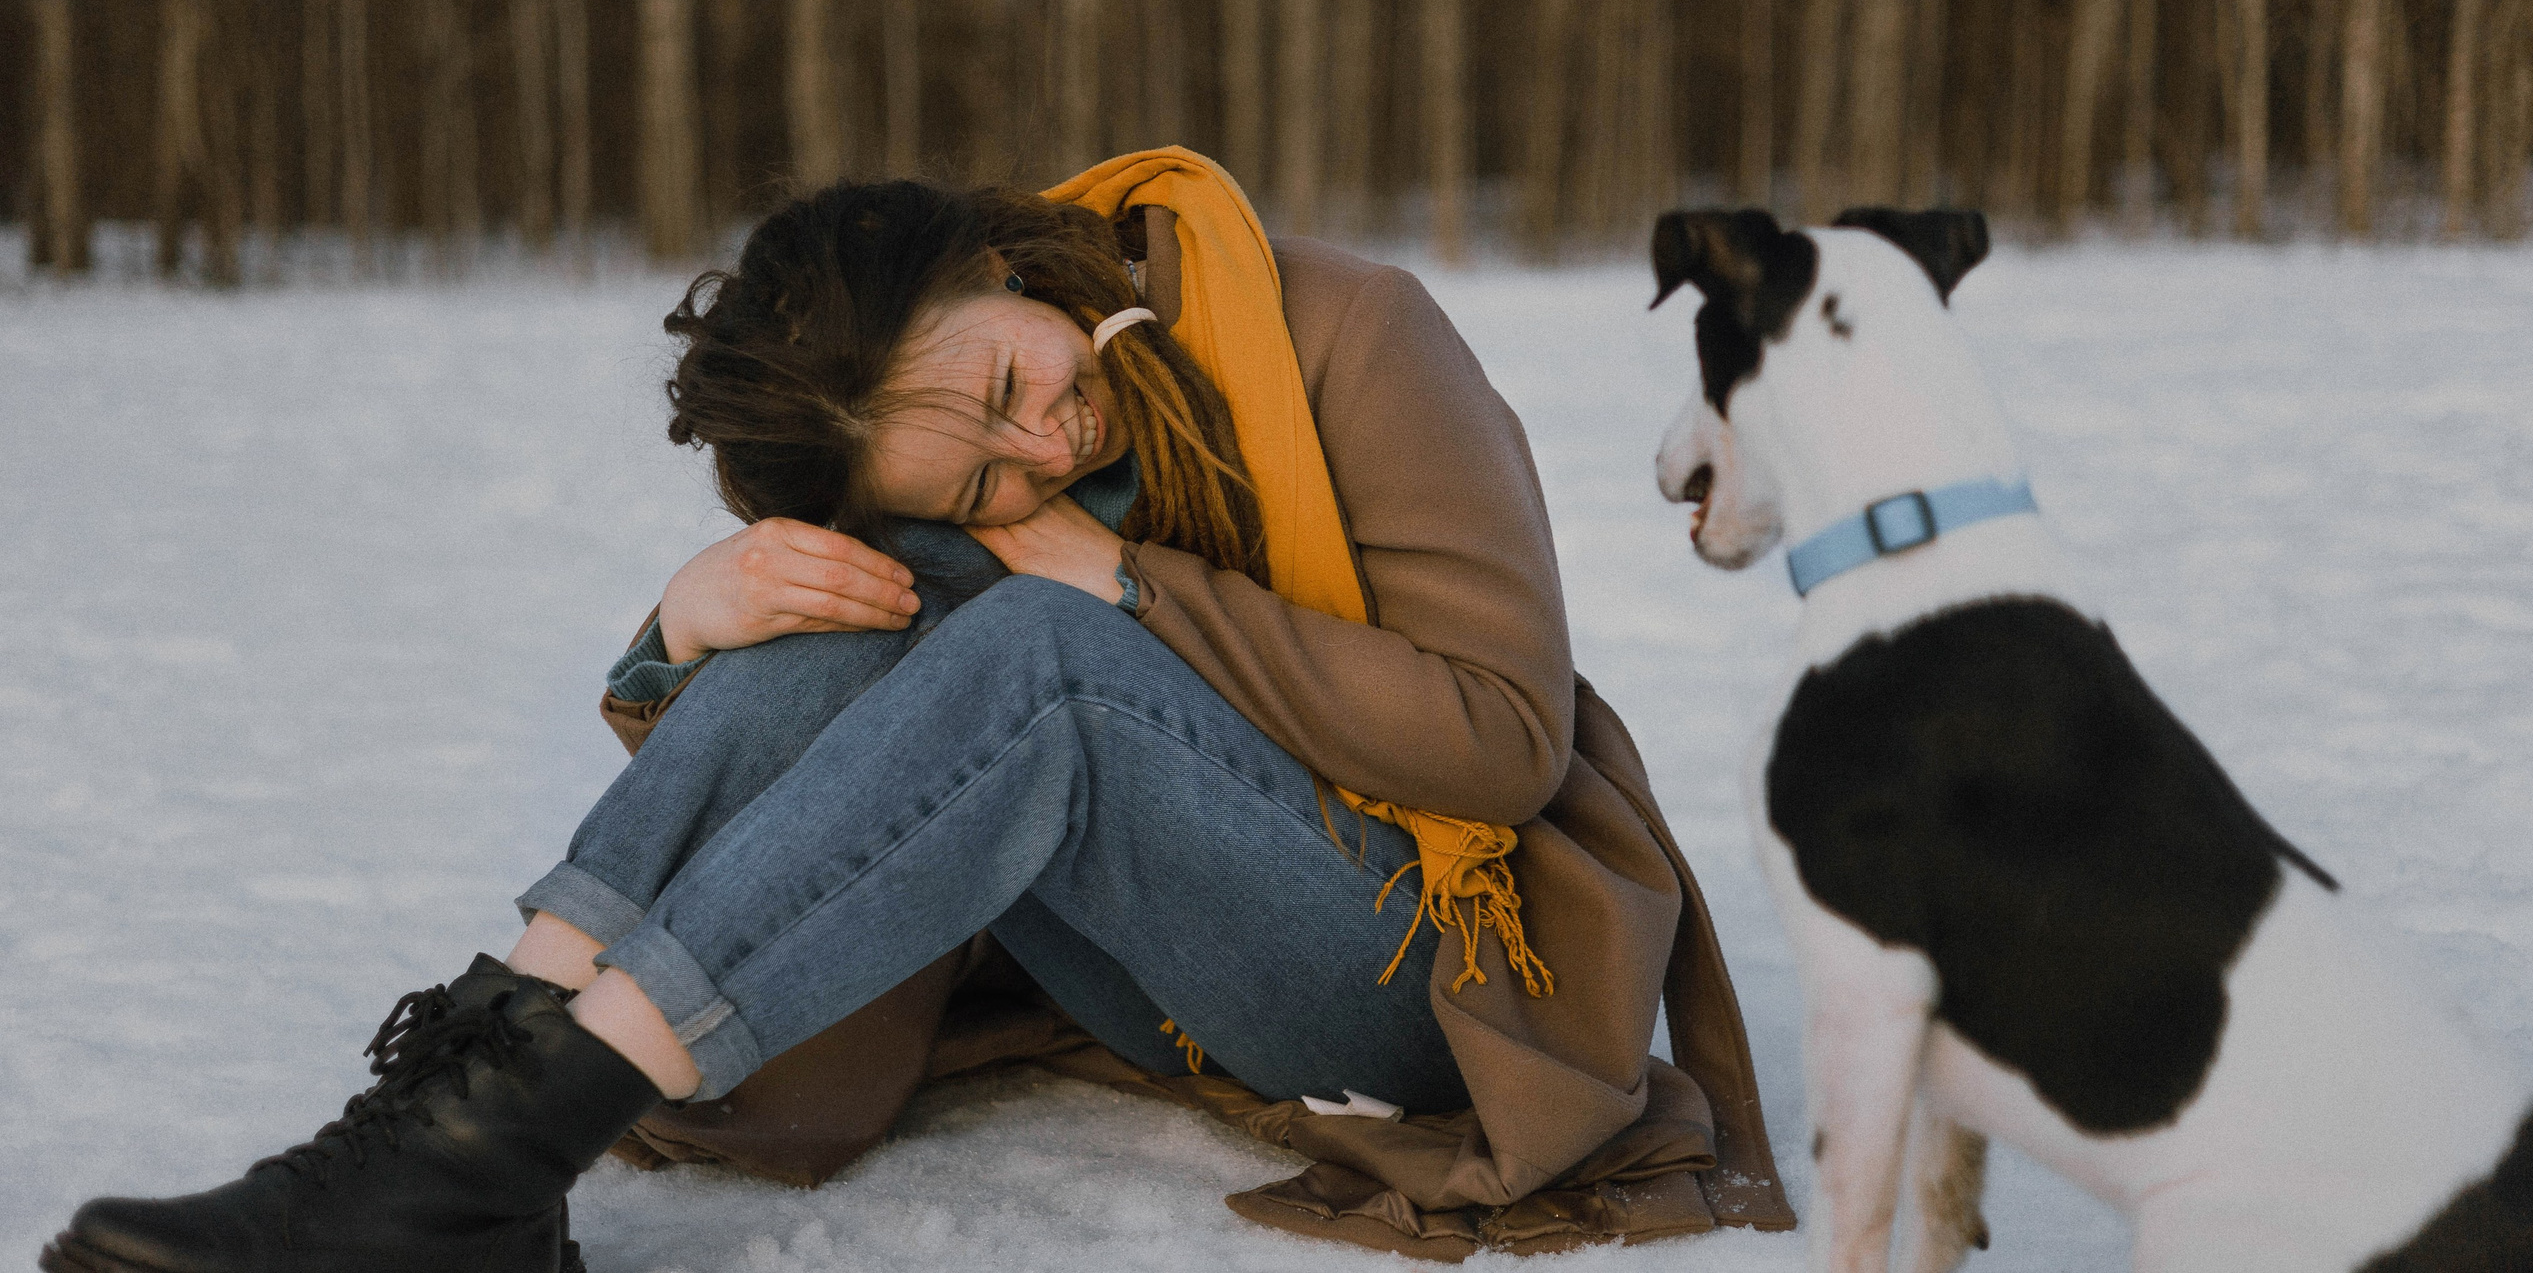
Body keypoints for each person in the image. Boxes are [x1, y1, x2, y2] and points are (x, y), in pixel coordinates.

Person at [42, 149, 1789, 1273]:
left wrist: (1122, 586)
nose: (1046, 448)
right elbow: (839, 764)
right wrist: (681, 630)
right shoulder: (966, 484)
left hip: (1433, 969)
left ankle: (479, 1169)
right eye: (970, 474)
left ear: (1003, 263)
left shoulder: (1347, 331)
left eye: (1016, 387)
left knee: (1040, 652)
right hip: (1156, 966)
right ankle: (442, 1140)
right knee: (842, 629)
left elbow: (1502, 737)